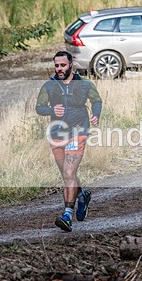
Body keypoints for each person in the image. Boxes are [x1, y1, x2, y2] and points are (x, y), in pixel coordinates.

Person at [36, 51, 103, 232]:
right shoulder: (49, 86)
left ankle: (67, 215)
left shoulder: (84, 84)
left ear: (71, 65)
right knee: (67, 174)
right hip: (57, 134)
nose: (59, 69)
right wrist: (51, 110)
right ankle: (82, 195)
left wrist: (95, 114)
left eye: (63, 65)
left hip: (78, 131)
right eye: (57, 66)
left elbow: (97, 101)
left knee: (68, 171)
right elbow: (39, 108)